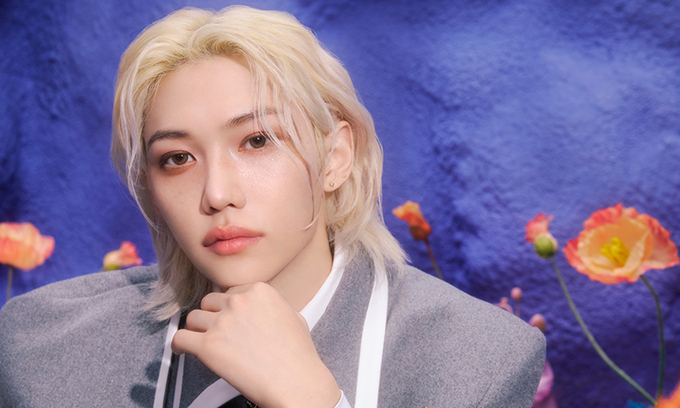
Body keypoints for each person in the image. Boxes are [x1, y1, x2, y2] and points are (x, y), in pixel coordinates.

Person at [0, 6, 545, 408]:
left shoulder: (476, 361)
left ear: (336, 157)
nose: (218, 194)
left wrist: (310, 401)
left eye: (257, 141)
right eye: (178, 158)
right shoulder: (41, 350)